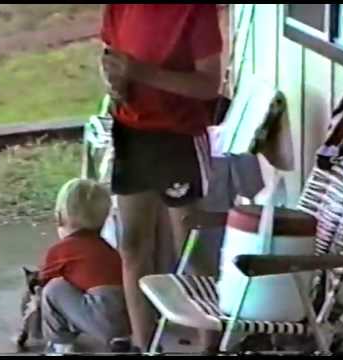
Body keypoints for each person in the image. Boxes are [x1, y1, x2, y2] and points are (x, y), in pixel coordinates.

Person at [100, 4, 223, 351]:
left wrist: (141, 73)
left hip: (178, 135)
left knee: (189, 244)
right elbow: (109, 56)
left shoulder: (194, 11)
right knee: (133, 245)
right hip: (131, 132)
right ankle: (144, 344)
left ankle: (208, 345)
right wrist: (115, 82)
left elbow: (209, 84)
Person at [37, 178, 130, 354]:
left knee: (52, 289)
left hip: (100, 316)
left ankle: (61, 345)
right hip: (126, 319)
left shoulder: (60, 250)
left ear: (59, 217)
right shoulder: (108, 248)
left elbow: (42, 281)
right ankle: (120, 339)